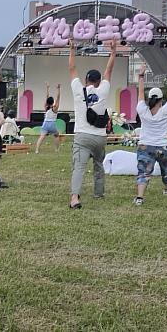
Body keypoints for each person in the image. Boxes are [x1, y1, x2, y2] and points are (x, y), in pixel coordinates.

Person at [68, 39, 117, 209]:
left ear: (86, 80)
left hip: (82, 136)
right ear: (98, 81)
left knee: (79, 167)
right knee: (98, 165)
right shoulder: (103, 90)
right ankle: (99, 193)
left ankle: (75, 198)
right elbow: (109, 70)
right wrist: (113, 52)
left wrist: (72, 50)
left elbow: (72, 68)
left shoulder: (78, 90)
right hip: (100, 137)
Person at [133, 61, 167, 206]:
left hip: (145, 146)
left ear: (149, 99)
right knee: (166, 169)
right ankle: (166, 188)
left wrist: (141, 76)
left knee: (143, 172)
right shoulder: (166, 110)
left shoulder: (143, 110)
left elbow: (140, 93)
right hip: (162, 147)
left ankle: (140, 198)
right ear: (161, 100)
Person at [35, 82, 61, 153]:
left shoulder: (46, 107)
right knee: (56, 135)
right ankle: (56, 149)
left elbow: (47, 97)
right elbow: (58, 98)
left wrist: (47, 88)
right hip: (52, 124)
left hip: (45, 124)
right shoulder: (55, 108)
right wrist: (58, 89)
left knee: (41, 137)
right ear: (53, 102)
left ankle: (37, 150)